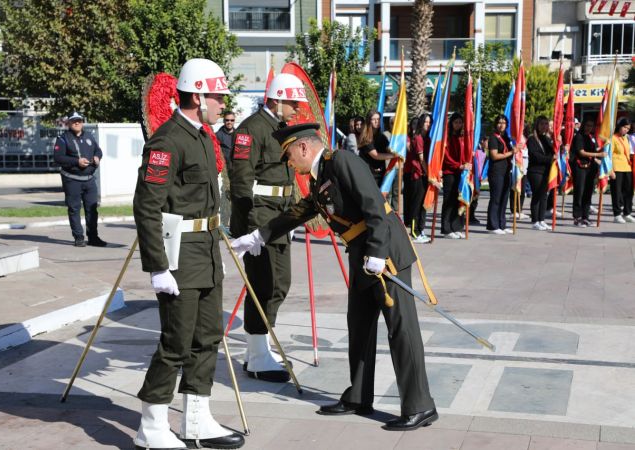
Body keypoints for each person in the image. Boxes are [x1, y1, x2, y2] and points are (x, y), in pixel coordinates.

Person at [232, 123, 437, 431]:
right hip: (361, 254)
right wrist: (259, 237)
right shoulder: (319, 178)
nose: (288, 162)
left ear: (303, 147)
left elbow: (375, 209)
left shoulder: (341, 161)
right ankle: (358, 396)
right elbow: (299, 213)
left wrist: (379, 254)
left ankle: (420, 405)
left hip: (386, 253)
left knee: (401, 330)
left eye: (288, 154)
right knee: (359, 325)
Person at [132, 58, 244, 450]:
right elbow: (147, 206)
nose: (222, 105)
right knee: (176, 341)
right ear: (197, 96)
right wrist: (157, 267)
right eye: (217, 96)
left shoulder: (200, 136)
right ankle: (151, 424)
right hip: (179, 257)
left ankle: (197, 418)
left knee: (208, 336)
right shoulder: (168, 140)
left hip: (207, 252)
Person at [229, 73, 307, 383]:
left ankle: (256, 347)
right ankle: (258, 353)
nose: (297, 109)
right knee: (264, 284)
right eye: (292, 103)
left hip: (278, 215)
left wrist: (290, 217)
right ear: (277, 99)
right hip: (259, 217)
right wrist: (250, 229)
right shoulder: (252, 129)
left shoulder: (280, 128)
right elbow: (241, 180)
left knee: (280, 282)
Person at [53, 112, 106, 247]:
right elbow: (58, 158)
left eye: (79, 121)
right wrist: (77, 161)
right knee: (74, 209)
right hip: (72, 180)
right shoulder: (63, 139)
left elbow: (98, 151)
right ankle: (78, 237)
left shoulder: (89, 136)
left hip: (89, 179)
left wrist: (97, 157)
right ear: (69, 123)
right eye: (74, 121)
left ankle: (93, 237)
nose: (77, 123)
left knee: (92, 209)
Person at [486, 115, 521, 234]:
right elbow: (494, 155)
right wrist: (511, 152)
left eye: (504, 123)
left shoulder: (506, 137)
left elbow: (513, 150)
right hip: (496, 171)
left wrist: (516, 148)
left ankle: (502, 224)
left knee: (504, 198)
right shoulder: (493, 138)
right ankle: (492, 225)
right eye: (499, 122)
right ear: (496, 124)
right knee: (496, 198)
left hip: (507, 171)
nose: (502, 125)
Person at [441, 113, 471, 239]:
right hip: (450, 173)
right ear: (451, 123)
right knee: (449, 200)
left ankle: (456, 226)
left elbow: (466, 154)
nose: (458, 125)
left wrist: (467, 163)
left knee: (459, 200)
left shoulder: (463, 138)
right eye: (456, 122)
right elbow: (446, 157)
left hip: (461, 173)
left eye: (460, 122)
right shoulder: (446, 138)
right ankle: (446, 229)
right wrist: (459, 166)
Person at [570, 118, 603, 227]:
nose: (589, 128)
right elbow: (581, 152)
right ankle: (577, 217)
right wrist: (598, 155)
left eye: (591, 126)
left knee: (588, 193)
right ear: (583, 125)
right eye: (588, 125)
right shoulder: (578, 137)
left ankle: (585, 217)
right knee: (579, 192)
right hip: (580, 167)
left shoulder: (591, 137)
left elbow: (593, 151)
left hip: (590, 168)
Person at [404, 113, 431, 243]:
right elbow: (421, 159)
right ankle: (415, 233)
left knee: (423, 205)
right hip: (418, 176)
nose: (428, 124)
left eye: (429, 122)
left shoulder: (427, 139)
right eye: (426, 122)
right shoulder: (418, 138)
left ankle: (421, 229)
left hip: (425, 176)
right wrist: (428, 172)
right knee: (416, 205)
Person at [526, 116, 555, 231]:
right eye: (542, 124)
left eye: (546, 124)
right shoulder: (532, 139)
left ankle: (541, 219)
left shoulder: (547, 139)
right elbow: (535, 156)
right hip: (536, 171)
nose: (544, 126)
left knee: (544, 196)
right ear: (537, 125)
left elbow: (553, 152)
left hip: (546, 171)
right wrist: (550, 159)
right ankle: (535, 220)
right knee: (537, 195)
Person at [358, 110, 396, 186]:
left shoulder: (382, 137)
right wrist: (394, 155)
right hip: (368, 175)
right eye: (374, 119)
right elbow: (376, 155)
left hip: (381, 174)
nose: (376, 121)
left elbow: (389, 149)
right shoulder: (365, 138)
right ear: (369, 121)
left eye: (378, 119)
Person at [609, 117, 634, 223]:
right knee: (616, 192)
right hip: (617, 168)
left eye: (628, 128)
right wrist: (610, 170)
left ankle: (627, 213)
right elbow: (609, 155)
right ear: (619, 126)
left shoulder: (627, 138)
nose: (626, 130)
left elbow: (629, 152)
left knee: (629, 191)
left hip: (627, 167)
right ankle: (617, 214)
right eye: (624, 127)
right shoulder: (612, 138)